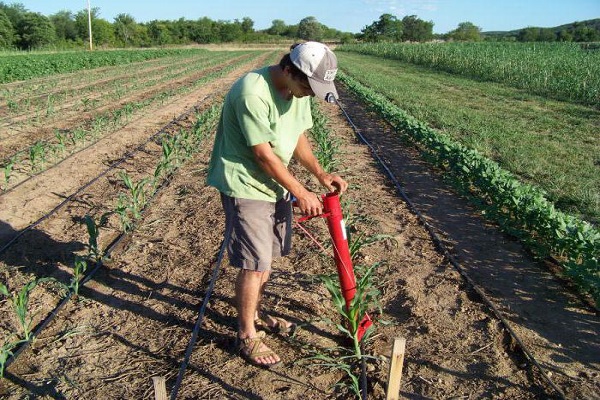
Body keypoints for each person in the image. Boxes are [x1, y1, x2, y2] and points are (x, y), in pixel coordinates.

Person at [206, 41, 348, 368]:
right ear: (288, 69)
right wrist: (300, 191)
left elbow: (298, 134)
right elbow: (263, 155)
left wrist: (320, 173)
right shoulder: (251, 92)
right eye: (307, 86)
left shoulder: (296, 91)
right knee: (255, 262)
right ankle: (246, 336)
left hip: (273, 181)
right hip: (246, 181)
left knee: (267, 259)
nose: (310, 94)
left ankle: (254, 312)